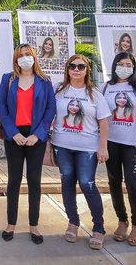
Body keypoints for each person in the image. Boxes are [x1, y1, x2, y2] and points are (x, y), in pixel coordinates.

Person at [0, 44, 56, 244]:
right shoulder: (8, 79)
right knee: (14, 180)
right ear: (15, 59)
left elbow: (50, 110)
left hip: (36, 137)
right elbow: (1, 107)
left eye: (27, 54)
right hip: (14, 136)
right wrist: (13, 133)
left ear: (34, 57)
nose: (24, 58)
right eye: (20, 55)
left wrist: (38, 135)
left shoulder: (44, 81)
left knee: (34, 180)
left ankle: (34, 225)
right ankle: (11, 223)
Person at [52, 54, 111, 250]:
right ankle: (73, 222)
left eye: (81, 66)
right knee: (67, 182)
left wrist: (103, 147)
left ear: (87, 71)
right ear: (67, 69)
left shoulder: (94, 94)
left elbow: (103, 121)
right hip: (62, 146)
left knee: (87, 183)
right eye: (72, 66)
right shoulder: (59, 91)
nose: (76, 70)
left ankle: (98, 228)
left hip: (88, 148)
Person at [103, 52, 136, 247]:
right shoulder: (106, 87)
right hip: (111, 143)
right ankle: (122, 220)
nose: (125, 67)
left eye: (129, 64)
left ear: (133, 67)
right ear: (114, 65)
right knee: (114, 182)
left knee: (133, 184)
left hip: (133, 144)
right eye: (121, 63)